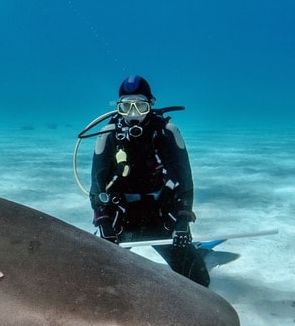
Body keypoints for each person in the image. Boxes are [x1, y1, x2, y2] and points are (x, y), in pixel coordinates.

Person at [89, 75, 210, 286]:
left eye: (140, 107)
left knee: (199, 281)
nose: (133, 114)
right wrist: (104, 221)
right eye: (126, 107)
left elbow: (185, 180)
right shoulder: (107, 134)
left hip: (160, 214)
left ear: (151, 105)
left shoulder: (167, 132)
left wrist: (183, 219)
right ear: (118, 107)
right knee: (99, 280)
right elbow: (97, 184)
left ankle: (195, 253)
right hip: (122, 216)